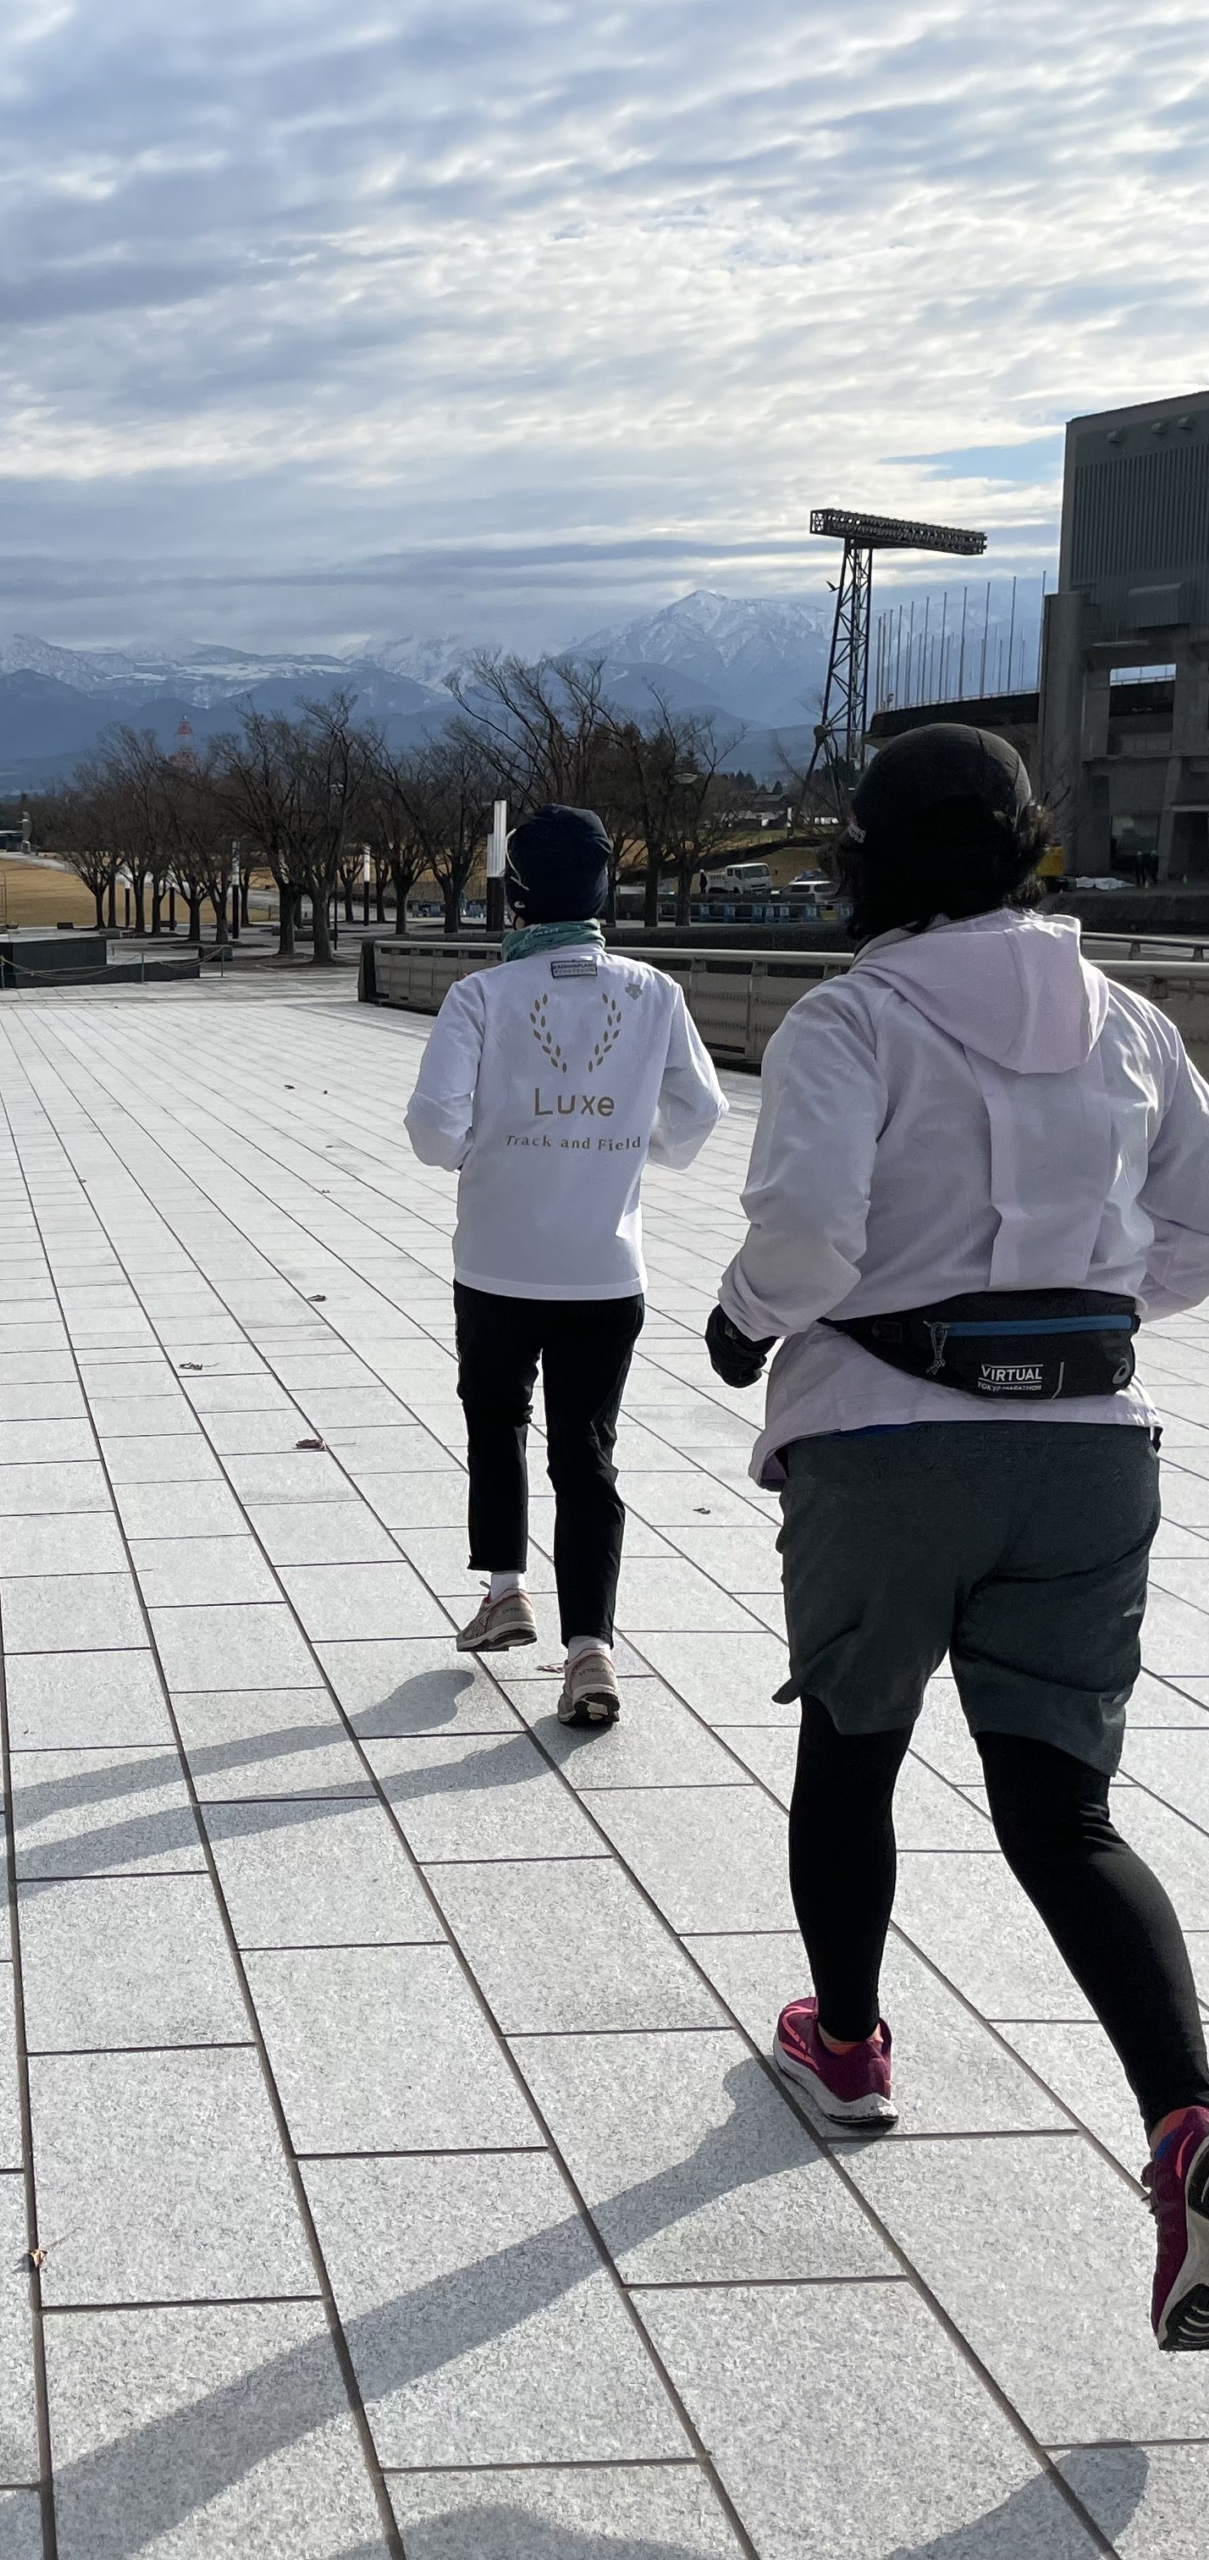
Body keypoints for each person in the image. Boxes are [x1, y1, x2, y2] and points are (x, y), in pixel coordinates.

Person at [706, 723, 1209, 2351]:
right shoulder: (1131, 1024)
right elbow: (1201, 1225)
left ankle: (846, 2042)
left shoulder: (855, 1019)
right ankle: (1190, 2124)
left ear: (866, 855)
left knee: (854, 1753)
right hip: (1090, 1452)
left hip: (886, 1439)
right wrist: (1075, 1316)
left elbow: (805, 1234)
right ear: (1025, 842)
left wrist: (741, 1323)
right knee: (1062, 1811)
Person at [405, 803, 726, 1722]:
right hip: (606, 1267)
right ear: (604, 888)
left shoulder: (481, 996)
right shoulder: (653, 992)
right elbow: (701, 1114)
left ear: (516, 896)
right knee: (587, 1454)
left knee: (495, 1418)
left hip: (500, 1259)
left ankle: (505, 1587)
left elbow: (434, 1130)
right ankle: (592, 1650)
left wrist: (478, 1151)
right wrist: (634, 1150)